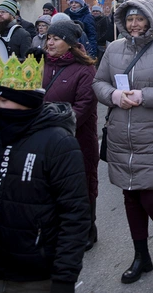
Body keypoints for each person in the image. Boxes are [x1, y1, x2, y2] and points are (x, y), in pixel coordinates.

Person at [0, 54, 90, 293]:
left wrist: (65, 278)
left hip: (37, 278)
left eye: (3, 101)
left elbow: (74, 214)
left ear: (24, 101)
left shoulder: (58, 142)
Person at [92, 0, 153, 285]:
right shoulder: (113, 49)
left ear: (150, 20)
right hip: (122, 133)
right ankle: (141, 256)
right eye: (129, 19)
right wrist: (114, 96)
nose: (134, 24)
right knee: (130, 195)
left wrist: (143, 97)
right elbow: (99, 82)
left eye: (139, 19)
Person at [41, 19, 99, 251]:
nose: (50, 42)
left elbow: (83, 106)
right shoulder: (41, 64)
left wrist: (56, 130)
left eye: (55, 38)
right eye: (49, 38)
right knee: (52, 185)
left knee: (83, 185)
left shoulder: (85, 70)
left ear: (69, 43)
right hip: (44, 138)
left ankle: (88, 229)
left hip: (77, 140)